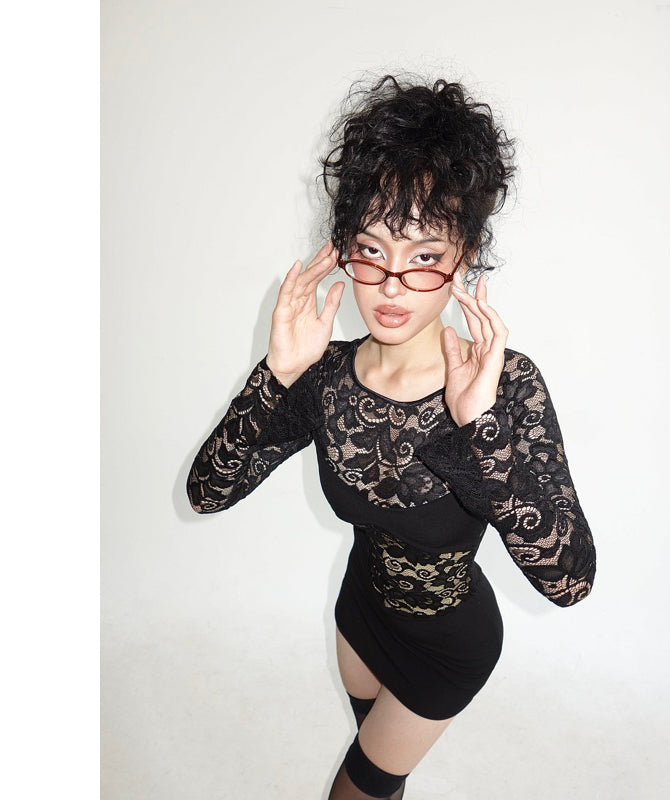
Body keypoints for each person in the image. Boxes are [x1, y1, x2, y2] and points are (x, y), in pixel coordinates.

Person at [186, 73, 597, 800]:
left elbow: (569, 581)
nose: (392, 284)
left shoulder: (506, 383)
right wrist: (277, 375)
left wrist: (480, 429)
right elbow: (206, 493)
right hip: (359, 617)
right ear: (345, 249)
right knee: (379, 778)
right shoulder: (326, 376)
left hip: (449, 645)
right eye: (371, 251)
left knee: (356, 791)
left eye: (426, 257)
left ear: (466, 255)